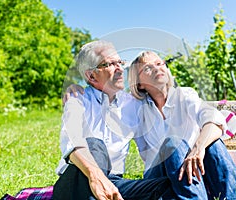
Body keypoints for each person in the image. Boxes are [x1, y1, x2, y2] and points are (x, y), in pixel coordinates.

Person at [127, 51, 236, 199]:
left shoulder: (184, 95)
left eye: (159, 63)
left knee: (211, 142)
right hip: (157, 176)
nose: (156, 69)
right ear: (139, 84)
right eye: (147, 68)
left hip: (192, 169)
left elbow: (215, 119)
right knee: (173, 143)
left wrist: (198, 148)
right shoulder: (136, 108)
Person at [52, 41, 170, 200]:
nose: (120, 69)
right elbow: (73, 143)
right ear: (91, 75)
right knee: (94, 145)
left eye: (119, 63)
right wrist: (96, 177)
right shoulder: (77, 99)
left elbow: (154, 143)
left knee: (167, 186)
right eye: (110, 64)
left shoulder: (134, 105)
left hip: (114, 181)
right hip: (78, 179)